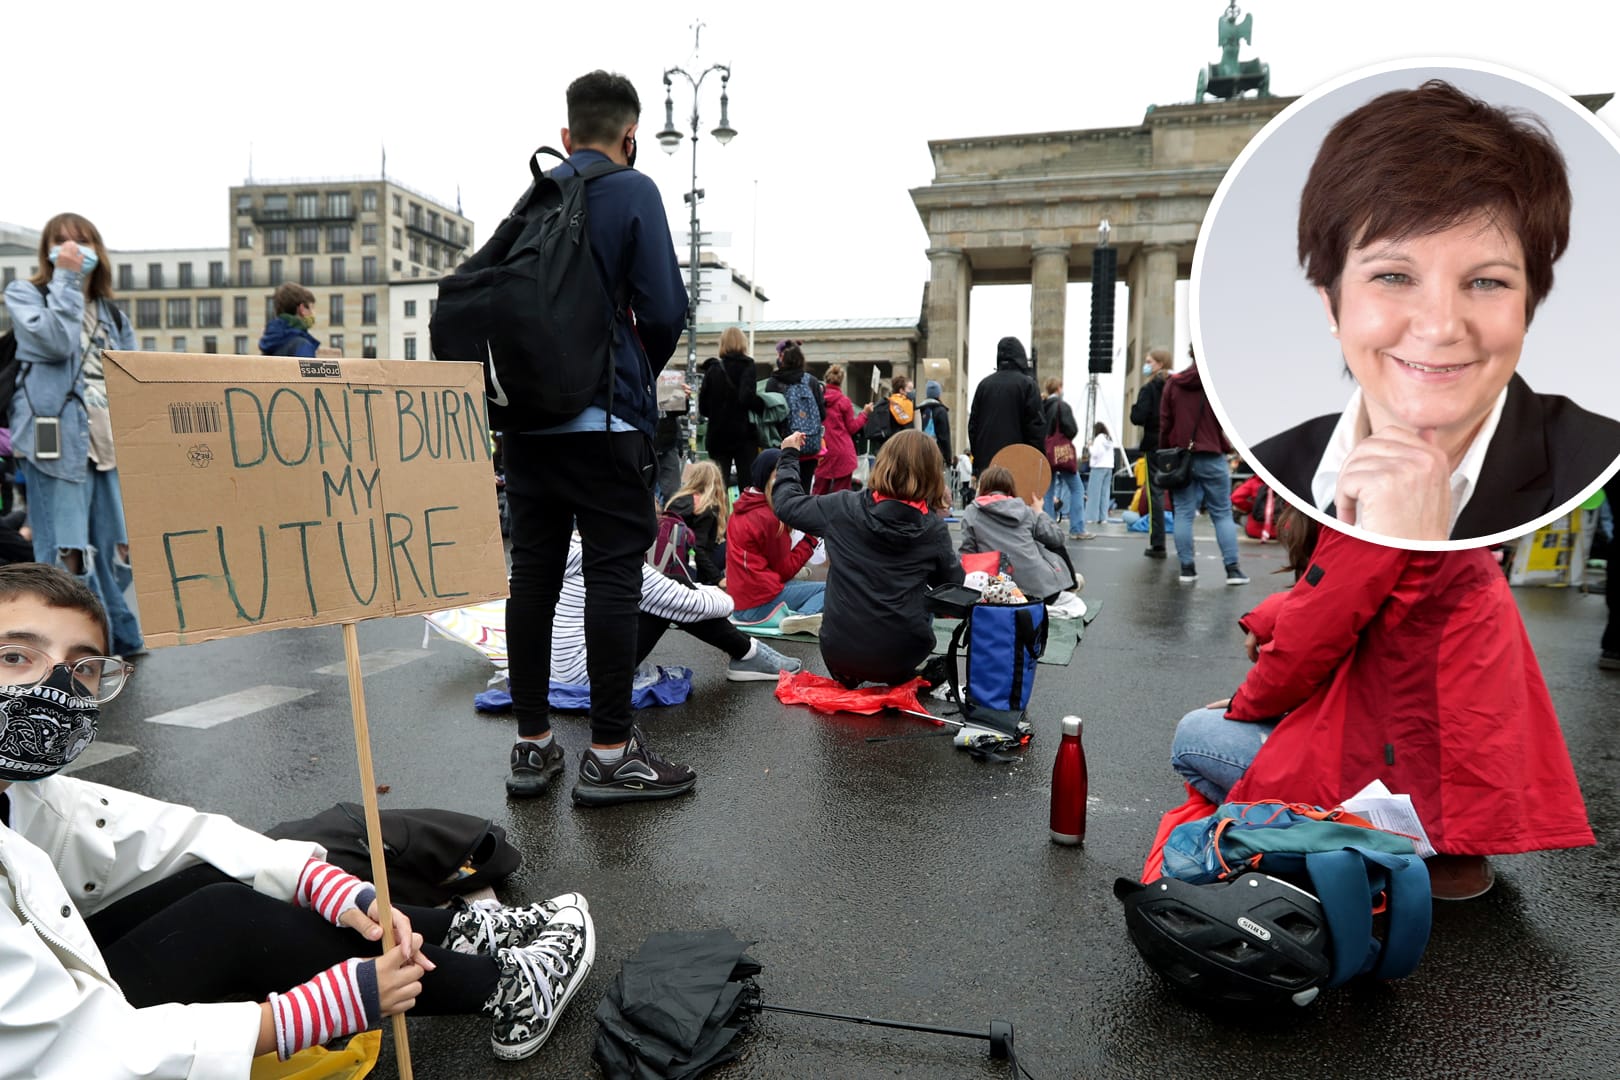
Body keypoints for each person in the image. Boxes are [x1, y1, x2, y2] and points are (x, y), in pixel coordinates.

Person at [0, 562, 598, 1072]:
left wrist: (329, 885)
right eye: (16, 655)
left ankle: (470, 934)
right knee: (229, 921)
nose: (54, 684)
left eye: (80, 666)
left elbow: (153, 832)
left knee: (221, 879)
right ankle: (509, 986)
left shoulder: (20, 788)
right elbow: (66, 1055)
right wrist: (299, 1016)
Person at [1250, 80, 1620, 543]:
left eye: (1487, 282)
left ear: (1529, 306)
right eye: (1393, 277)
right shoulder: (1272, 461)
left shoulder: (1602, 458)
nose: (1440, 326)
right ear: (1331, 303)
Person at [1167, 506, 1594, 900]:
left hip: (1404, 757)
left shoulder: (1379, 516)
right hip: (1464, 760)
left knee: (1196, 735)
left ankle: (1355, 851)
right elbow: (1342, 595)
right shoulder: (1441, 517)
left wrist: (1244, 704)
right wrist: (1272, 615)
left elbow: (1302, 652)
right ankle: (1445, 855)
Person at [501, 71, 695, 807]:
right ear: (630, 137)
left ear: (564, 136)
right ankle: (611, 754)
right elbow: (666, 306)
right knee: (613, 576)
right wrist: (632, 370)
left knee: (534, 579)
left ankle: (534, 745)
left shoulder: (531, 196)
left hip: (526, 429)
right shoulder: (633, 190)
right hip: (604, 425)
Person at [3, 213, 145, 657]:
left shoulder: (112, 313)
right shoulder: (26, 294)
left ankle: (112, 628)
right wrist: (65, 278)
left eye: (80, 241)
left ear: (97, 249)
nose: (70, 248)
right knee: (67, 550)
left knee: (118, 550)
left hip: (106, 442)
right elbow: (58, 342)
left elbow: (130, 373)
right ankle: (65, 643)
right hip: (54, 439)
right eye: (60, 242)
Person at [771, 429, 965, 688]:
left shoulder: (841, 507)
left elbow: (786, 504)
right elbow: (952, 591)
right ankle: (898, 671)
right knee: (924, 598)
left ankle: (850, 673)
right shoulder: (933, 530)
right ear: (932, 475)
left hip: (840, 653)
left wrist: (789, 455)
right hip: (901, 656)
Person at [550, 533, 799, 690]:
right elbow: (699, 604)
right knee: (675, 596)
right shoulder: (617, 558)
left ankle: (746, 652)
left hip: (562, 666)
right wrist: (716, 593)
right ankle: (747, 652)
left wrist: (700, 589)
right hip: (589, 674)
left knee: (673, 587)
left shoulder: (577, 546)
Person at [1161, 346, 1247, 586]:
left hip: (1181, 458)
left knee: (1184, 513)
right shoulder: (1216, 383)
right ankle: (1233, 570)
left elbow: (1165, 423)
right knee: (1221, 513)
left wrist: (1167, 453)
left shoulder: (1173, 384)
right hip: (1212, 456)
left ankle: (1187, 569)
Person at [723, 449, 826, 632]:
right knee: (829, 589)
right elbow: (783, 570)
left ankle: (800, 615)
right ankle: (802, 618)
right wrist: (810, 540)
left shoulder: (742, 509)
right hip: (758, 603)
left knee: (803, 586)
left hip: (740, 601)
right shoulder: (769, 517)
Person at [959, 464, 1080, 604]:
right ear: (1010, 488)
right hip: (1041, 591)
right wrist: (1039, 512)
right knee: (1044, 542)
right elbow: (1057, 538)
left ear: (983, 488)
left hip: (999, 593)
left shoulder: (972, 512)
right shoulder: (1025, 510)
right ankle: (1070, 583)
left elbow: (967, 553)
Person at [696, 326, 761, 494]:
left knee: (718, 486)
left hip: (718, 436)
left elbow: (703, 408)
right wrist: (762, 404)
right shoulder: (748, 365)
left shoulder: (713, 369)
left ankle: (718, 519)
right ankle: (746, 520)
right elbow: (747, 397)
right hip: (743, 436)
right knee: (747, 485)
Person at [967, 336, 1044, 477]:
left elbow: (973, 427)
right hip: (1017, 466)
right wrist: (1035, 464)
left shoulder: (983, 385)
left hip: (987, 467)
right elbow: (1035, 429)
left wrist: (977, 460)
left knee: (989, 499)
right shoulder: (1028, 385)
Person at [765, 341, 827, 493]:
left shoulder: (774, 382)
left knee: (782, 488)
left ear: (782, 360)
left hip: (783, 445)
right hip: (809, 443)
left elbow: (769, 417)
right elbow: (822, 414)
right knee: (804, 489)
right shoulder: (811, 381)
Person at [1130, 348, 1172, 557]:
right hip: (1174, 446)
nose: (1146, 365)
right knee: (1178, 494)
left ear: (1159, 364)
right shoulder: (1175, 384)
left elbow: (1138, 417)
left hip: (1154, 445)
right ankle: (1184, 545)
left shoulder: (1150, 389)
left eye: (1149, 361)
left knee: (1155, 493)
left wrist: (1135, 407)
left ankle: (1158, 543)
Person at [662, 460, 729, 586]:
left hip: (670, 562)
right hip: (695, 568)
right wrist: (717, 578)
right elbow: (698, 548)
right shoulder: (705, 507)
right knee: (728, 545)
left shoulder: (675, 501)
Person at [1040, 377, 1090, 540]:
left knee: (1048, 491)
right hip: (1061, 452)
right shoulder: (1062, 406)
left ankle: (1048, 529)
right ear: (1059, 388)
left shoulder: (1042, 406)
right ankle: (1077, 528)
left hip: (1046, 452)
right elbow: (1071, 429)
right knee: (1077, 488)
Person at [814, 363, 867, 495]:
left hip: (822, 450)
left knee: (818, 493)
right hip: (843, 452)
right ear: (841, 381)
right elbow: (852, 428)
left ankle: (813, 515)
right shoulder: (844, 401)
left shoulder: (816, 400)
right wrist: (865, 414)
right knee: (841, 495)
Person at [257, 283, 321, 358]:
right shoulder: (302, 345)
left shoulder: (269, 342)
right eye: (311, 308)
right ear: (302, 308)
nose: (313, 313)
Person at [1085, 422, 1118, 528]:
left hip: (1098, 467)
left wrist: (1090, 447)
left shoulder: (1098, 439)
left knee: (1094, 493)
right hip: (1109, 467)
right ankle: (1103, 518)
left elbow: (1095, 454)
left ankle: (1091, 517)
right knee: (1105, 493)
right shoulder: (1109, 439)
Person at [916, 380, 952, 466]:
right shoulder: (941, 410)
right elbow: (944, 437)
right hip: (935, 453)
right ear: (939, 394)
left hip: (919, 452)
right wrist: (948, 458)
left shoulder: (919, 410)